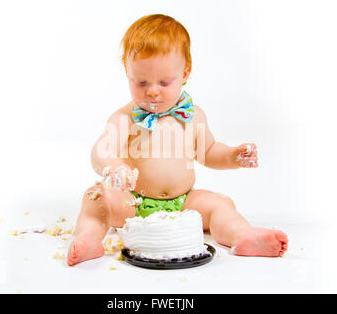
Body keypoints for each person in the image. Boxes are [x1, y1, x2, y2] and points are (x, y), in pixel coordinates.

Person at [67, 14, 288, 266]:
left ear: (185, 73)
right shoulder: (124, 118)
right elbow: (102, 148)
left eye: (164, 82)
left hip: (184, 203)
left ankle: (243, 236)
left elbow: (209, 151)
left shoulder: (194, 117)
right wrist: (113, 165)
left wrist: (232, 156)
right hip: (132, 202)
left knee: (220, 204)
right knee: (96, 198)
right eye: (141, 82)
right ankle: (89, 238)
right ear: (128, 74)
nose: (152, 90)